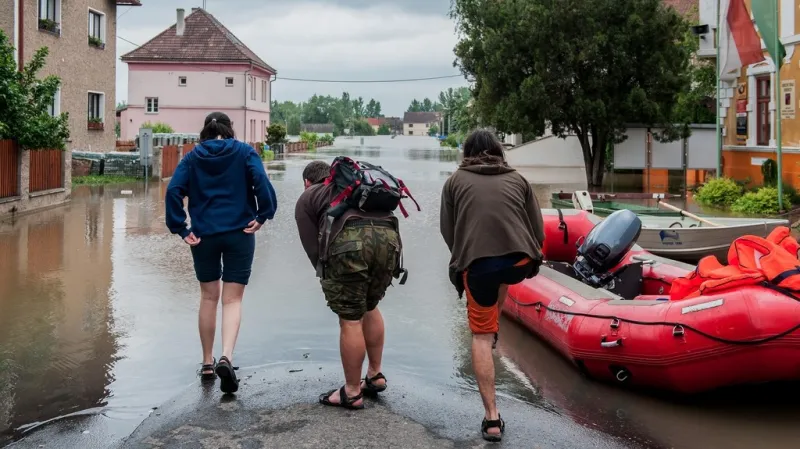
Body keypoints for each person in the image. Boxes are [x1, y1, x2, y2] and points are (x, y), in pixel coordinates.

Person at [439, 129, 544, 442]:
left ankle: (492, 419)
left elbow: (449, 231)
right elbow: (537, 230)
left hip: (481, 266)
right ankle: (494, 321)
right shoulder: (519, 179)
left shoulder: (455, 182)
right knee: (503, 270)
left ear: (467, 152)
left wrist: (465, 258)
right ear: (499, 151)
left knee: (480, 337)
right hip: (520, 262)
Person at [165, 112, 277, 394]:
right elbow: (261, 182)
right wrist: (263, 215)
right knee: (232, 300)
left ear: (205, 131)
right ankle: (226, 356)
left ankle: (206, 362)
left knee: (208, 297)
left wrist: (180, 227)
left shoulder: (192, 157)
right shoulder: (244, 152)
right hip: (241, 232)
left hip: (203, 236)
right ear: (230, 129)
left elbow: (173, 191)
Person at [294, 160, 402, 409]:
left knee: (350, 316)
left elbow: (313, 247)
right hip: (389, 240)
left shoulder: (308, 196)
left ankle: (352, 391)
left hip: (351, 243)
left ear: (307, 182)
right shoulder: (358, 188)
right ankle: (375, 375)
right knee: (369, 305)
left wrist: (330, 277)